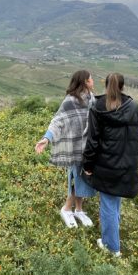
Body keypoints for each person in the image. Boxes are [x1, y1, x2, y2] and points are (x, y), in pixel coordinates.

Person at [82, 73, 138, 256]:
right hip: (127, 165)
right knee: (114, 201)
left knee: (108, 206)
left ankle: (112, 247)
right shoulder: (133, 106)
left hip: (106, 165)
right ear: (122, 86)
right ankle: (111, 238)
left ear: (106, 85)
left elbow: (92, 140)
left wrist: (87, 164)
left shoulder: (97, 107)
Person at [35, 70, 96, 228]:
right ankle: (67, 209)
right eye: (91, 79)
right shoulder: (70, 101)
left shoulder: (92, 99)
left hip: (89, 147)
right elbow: (58, 120)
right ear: (84, 82)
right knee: (77, 177)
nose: (93, 81)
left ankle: (79, 209)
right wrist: (47, 138)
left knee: (85, 177)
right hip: (74, 147)